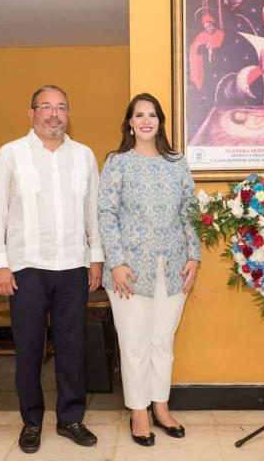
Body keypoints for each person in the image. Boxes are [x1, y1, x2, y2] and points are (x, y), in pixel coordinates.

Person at [0, 85, 104, 454]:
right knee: (29, 347)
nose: (54, 114)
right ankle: (31, 421)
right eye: (46, 107)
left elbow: (93, 211)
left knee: (72, 346)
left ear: (69, 114)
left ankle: (71, 418)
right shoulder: (10, 154)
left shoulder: (84, 156)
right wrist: (0, 264)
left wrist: (95, 256)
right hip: (26, 268)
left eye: (62, 108)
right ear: (32, 112)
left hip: (72, 265)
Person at [98, 93, 201, 447]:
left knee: (162, 340)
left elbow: (190, 209)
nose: (145, 121)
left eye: (152, 115)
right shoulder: (117, 162)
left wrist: (195, 255)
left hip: (173, 268)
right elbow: (106, 215)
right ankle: (138, 411)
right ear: (129, 122)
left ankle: (161, 406)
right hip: (130, 270)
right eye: (139, 115)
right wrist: (117, 264)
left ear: (160, 122)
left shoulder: (177, 163)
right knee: (134, 343)